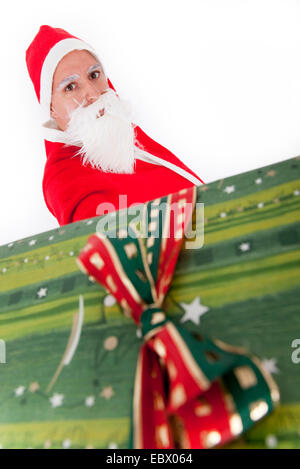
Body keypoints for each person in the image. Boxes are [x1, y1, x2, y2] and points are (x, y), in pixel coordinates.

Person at [26, 25, 205, 226]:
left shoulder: (128, 137)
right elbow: (105, 243)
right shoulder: (63, 177)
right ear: (51, 107)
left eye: (94, 75)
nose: (93, 94)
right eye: (70, 87)